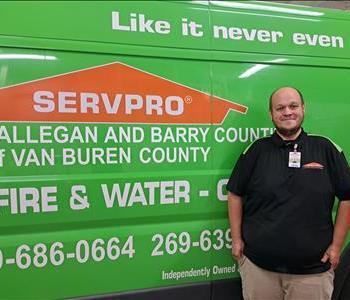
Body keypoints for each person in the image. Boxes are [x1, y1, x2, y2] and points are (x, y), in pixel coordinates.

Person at [227, 87, 350, 300]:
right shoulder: (256, 151)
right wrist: (237, 239)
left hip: (313, 271)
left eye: (293, 106)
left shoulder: (326, 148)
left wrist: (336, 246)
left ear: (303, 108)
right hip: (259, 269)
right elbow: (234, 194)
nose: (287, 112)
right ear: (271, 114)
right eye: (280, 108)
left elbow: (347, 198)